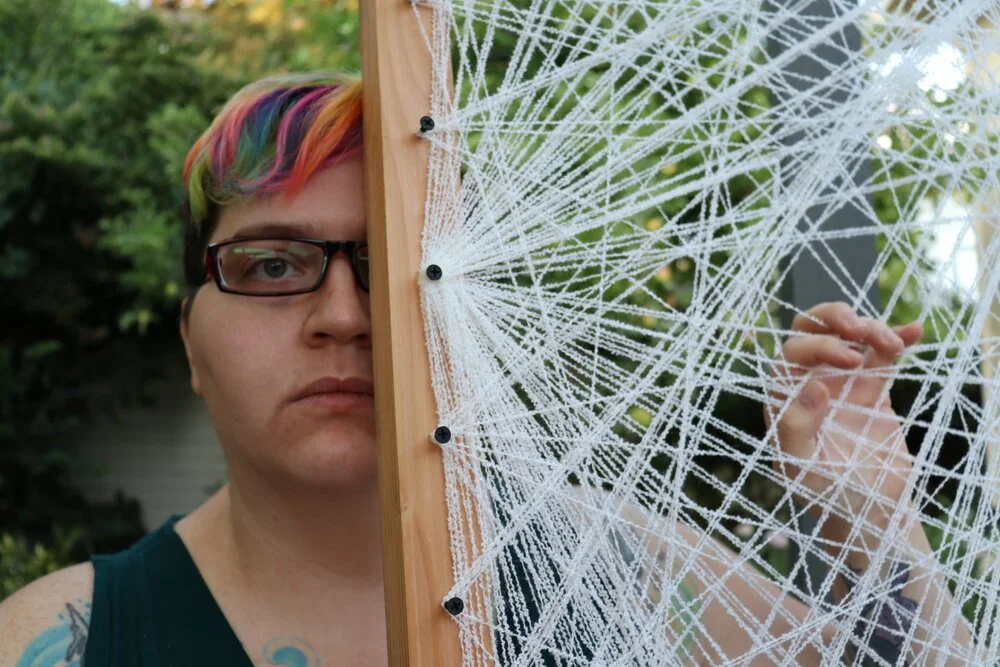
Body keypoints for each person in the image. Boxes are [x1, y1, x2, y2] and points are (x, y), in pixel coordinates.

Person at [0, 71, 969, 666]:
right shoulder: (60, 642)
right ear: (190, 342)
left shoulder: (624, 579)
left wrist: (876, 526)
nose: (344, 317)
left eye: (387, 263)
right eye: (271, 266)